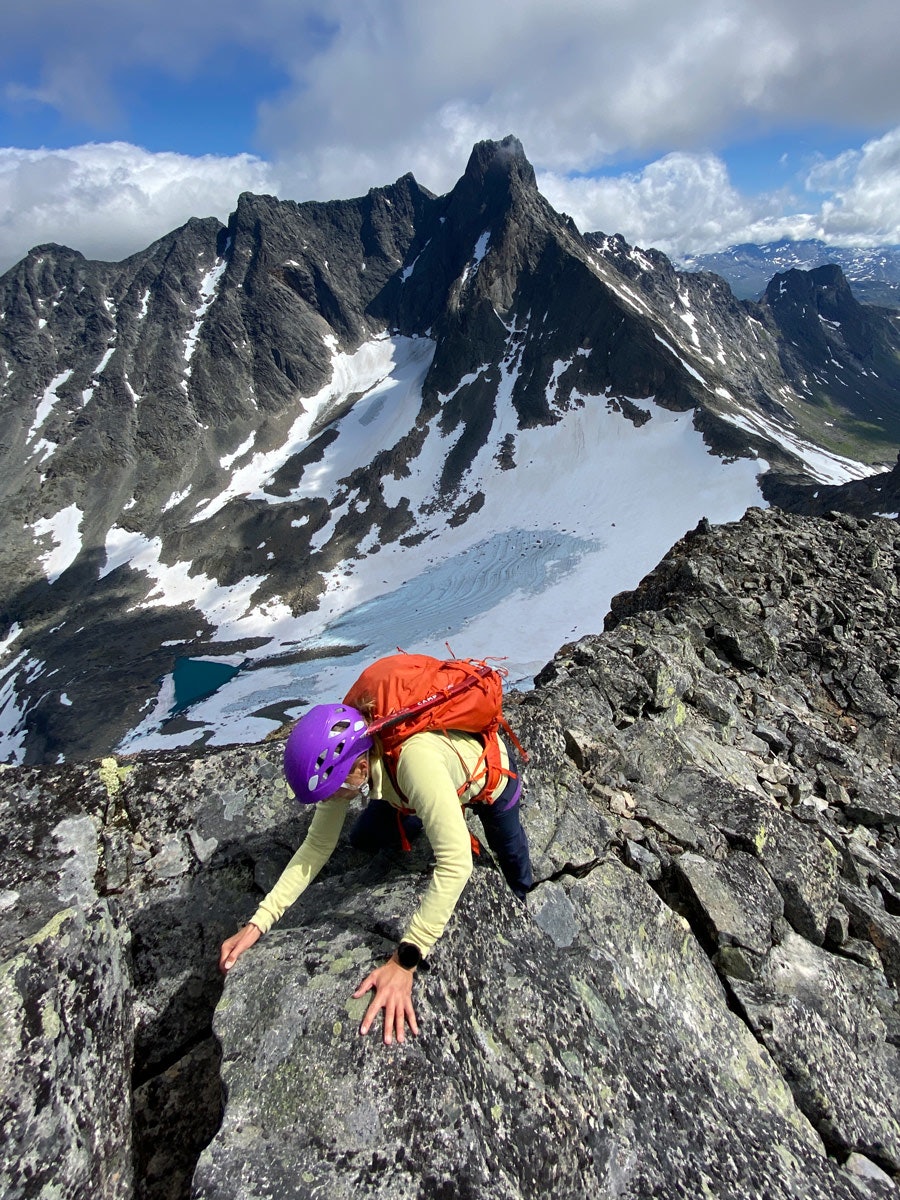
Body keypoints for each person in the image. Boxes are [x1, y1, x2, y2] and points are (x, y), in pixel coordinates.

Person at [219, 702, 533, 1045]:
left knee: (510, 849)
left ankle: (522, 895)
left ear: (362, 766)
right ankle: (431, 812)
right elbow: (317, 847)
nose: (332, 798)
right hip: (418, 786)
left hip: (490, 776)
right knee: (364, 837)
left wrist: (405, 961)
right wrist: (258, 923)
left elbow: (457, 863)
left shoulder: (414, 763)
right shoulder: (348, 761)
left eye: (336, 788)